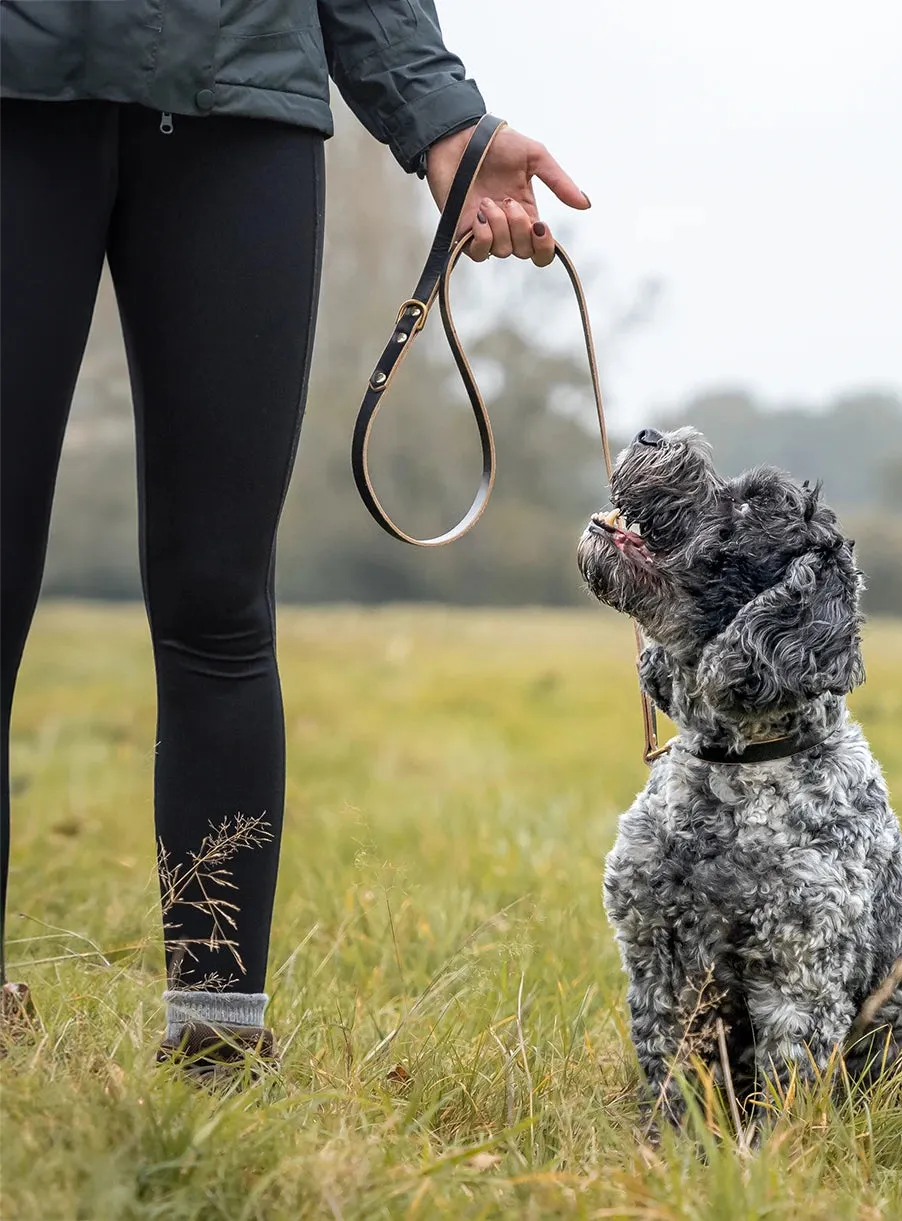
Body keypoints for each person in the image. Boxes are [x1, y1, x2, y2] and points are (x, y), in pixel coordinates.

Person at [0, 1, 588, 1071]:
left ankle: (216, 1045)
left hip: (239, 98)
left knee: (220, 601)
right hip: (17, 84)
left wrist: (440, 115)